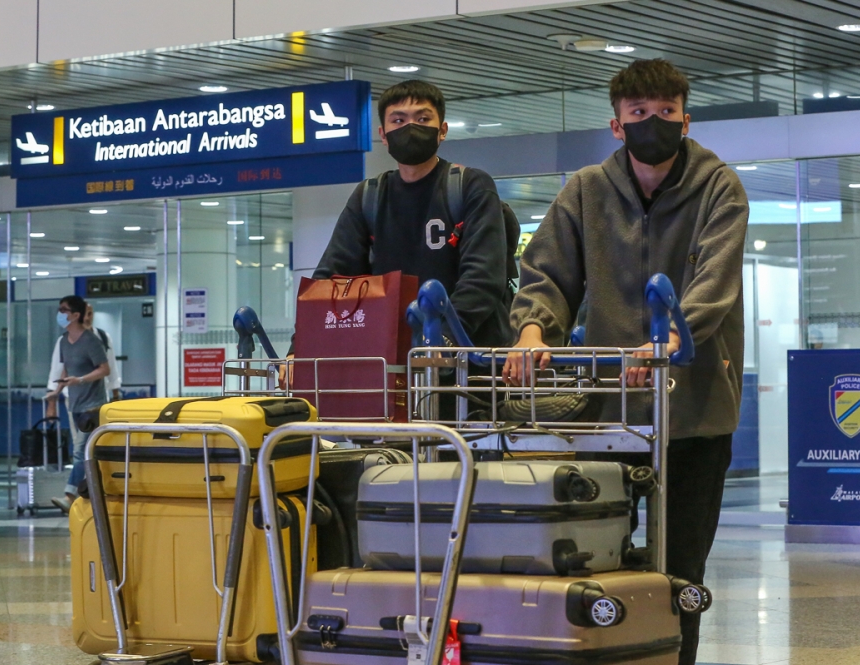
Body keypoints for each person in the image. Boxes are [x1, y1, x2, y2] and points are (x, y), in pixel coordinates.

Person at [503, 59, 748, 665]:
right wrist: (532, 330)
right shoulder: (586, 190)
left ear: (686, 120)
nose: (653, 123)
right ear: (617, 125)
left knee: (680, 573)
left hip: (695, 414)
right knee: (596, 560)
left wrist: (673, 337)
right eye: (639, 113)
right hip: (609, 416)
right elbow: (546, 273)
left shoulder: (720, 186)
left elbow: (714, 279)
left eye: (666, 113)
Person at [279, 79, 511, 386]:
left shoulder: (469, 186)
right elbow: (330, 281)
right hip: (392, 367)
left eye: (422, 118)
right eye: (398, 120)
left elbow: (483, 278)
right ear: (383, 135)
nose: (410, 127)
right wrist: (301, 348)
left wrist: (441, 340)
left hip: (471, 368)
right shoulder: (370, 196)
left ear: (442, 130)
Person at [46, 302, 122, 511]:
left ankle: (70, 495)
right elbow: (64, 369)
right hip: (75, 404)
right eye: (59, 310)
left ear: (75, 315)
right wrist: (56, 392)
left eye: (64, 310)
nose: (60, 314)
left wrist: (81, 380)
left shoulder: (93, 340)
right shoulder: (63, 341)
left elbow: (106, 369)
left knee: (81, 451)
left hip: (94, 405)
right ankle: (92, 494)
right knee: (88, 452)